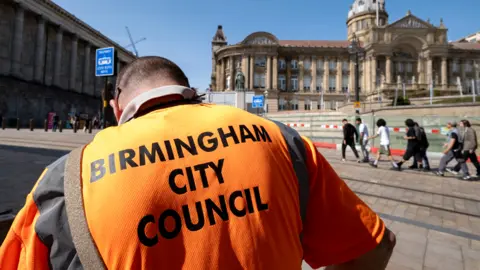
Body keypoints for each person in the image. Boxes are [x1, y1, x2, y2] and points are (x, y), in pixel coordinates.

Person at [0, 56, 395, 269]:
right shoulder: (279, 139)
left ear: (117, 104)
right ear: (190, 89)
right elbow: (375, 246)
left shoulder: (66, 179)